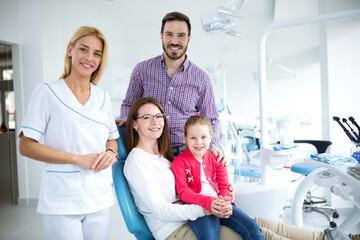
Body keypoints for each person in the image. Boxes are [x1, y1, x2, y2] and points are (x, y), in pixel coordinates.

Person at [123, 97, 327, 240]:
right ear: (134, 124)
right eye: (147, 117)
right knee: (263, 233)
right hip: (175, 230)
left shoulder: (164, 156)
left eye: (159, 116)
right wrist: (208, 207)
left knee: (266, 223)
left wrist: (224, 194)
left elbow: (196, 179)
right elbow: (161, 209)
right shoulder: (138, 162)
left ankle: (328, 237)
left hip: (198, 213)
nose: (155, 122)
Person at [18, 26, 119, 240]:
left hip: (98, 194)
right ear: (70, 50)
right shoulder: (47, 92)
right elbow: (26, 145)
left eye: (97, 53)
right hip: (61, 196)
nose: (89, 58)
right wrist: (76, 159)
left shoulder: (102, 96)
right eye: (84, 49)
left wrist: (111, 152)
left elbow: (112, 137)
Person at [118, 11, 220, 157]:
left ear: (189, 38)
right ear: (161, 36)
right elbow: (129, 104)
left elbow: (212, 119)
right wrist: (127, 123)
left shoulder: (201, 78)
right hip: (149, 152)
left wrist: (212, 147)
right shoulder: (142, 70)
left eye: (181, 35)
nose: (174, 41)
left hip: (186, 153)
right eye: (169, 34)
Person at [172, 115, 264, 240]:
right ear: (185, 138)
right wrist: (209, 203)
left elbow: (224, 185)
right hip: (199, 209)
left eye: (203, 137)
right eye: (193, 138)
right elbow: (183, 192)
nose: (199, 142)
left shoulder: (217, 159)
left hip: (221, 204)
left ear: (210, 137)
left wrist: (225, 201)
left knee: (252, 228)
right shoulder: (179, 162)